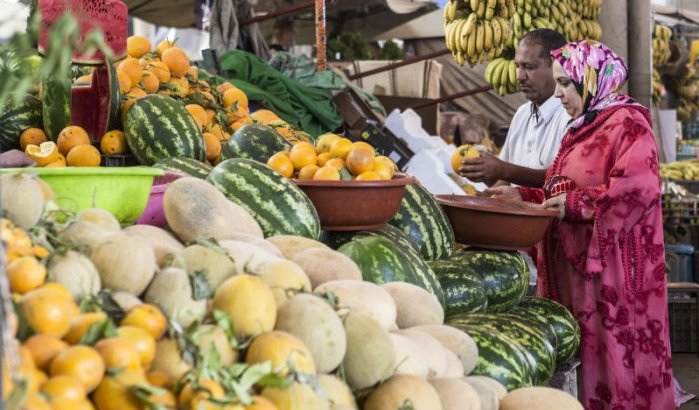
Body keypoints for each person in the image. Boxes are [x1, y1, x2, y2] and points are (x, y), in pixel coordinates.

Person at [489, 40, 674, 409]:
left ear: (593, 81)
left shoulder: (628, 124)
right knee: (585, 358)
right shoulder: (585, 125)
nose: (557, 93)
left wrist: (574, 204)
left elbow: (637, 189)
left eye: (566, 84)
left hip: (614, 277)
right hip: (578, 275)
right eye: (557, 83)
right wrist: (526, 197)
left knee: (615, 358)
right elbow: (563, 186)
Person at [459, 29, 570, 187]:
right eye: (518, 66)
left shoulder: (571, 117)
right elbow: (504, 180)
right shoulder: (522, 114)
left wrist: (503, 170)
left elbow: (564, 180)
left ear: (556, 66)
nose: (520, 76)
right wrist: (483, 196)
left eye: (529, 67)